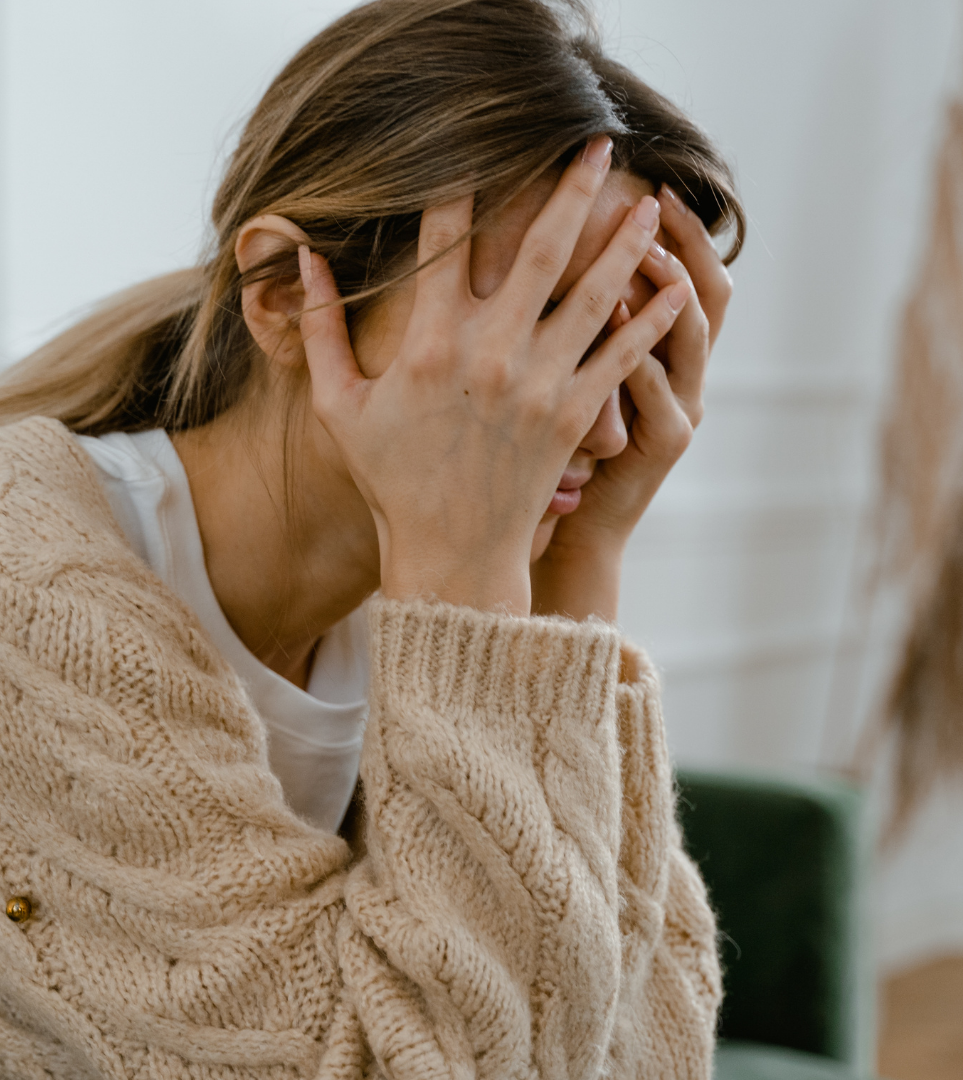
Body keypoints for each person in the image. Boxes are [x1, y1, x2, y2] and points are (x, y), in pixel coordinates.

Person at [0, 0, 744, 1075]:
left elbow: (642, 1055)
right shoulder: (34, 588)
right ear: (284, 298)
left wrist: (582, 567)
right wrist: (475, 592)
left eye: (631, 340)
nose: (593, 418)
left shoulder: (454, 584)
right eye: (540, 325)